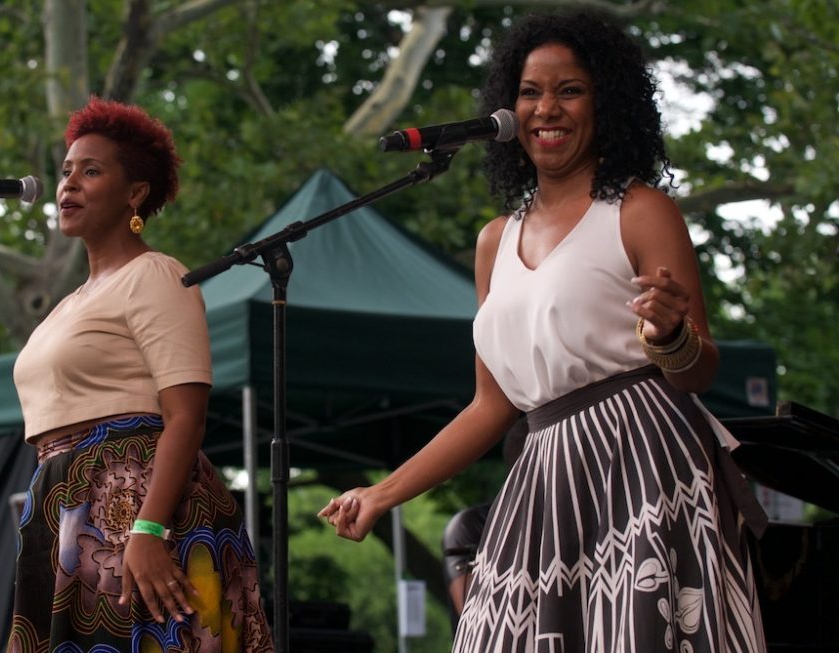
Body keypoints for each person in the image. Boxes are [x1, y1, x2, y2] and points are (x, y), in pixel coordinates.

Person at [320, 10, 767, 652]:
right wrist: (382, 493)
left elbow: (698, 371)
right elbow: (490, 405)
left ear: (605, 104)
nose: (545, 109)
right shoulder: (494, 242)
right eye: (530, 92)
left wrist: (671, 336)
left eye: (570, 90)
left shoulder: (639, 211)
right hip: (544, 472)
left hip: (641, 464)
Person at [7, 97, 274, 652]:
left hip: (136, 503)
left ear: (135, 194)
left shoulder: (155, 274)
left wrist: (147, 530)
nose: (69, 183)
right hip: (65, 503)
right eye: (66, 171)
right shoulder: (69, 303)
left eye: (92, 170)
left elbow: (186, 416)